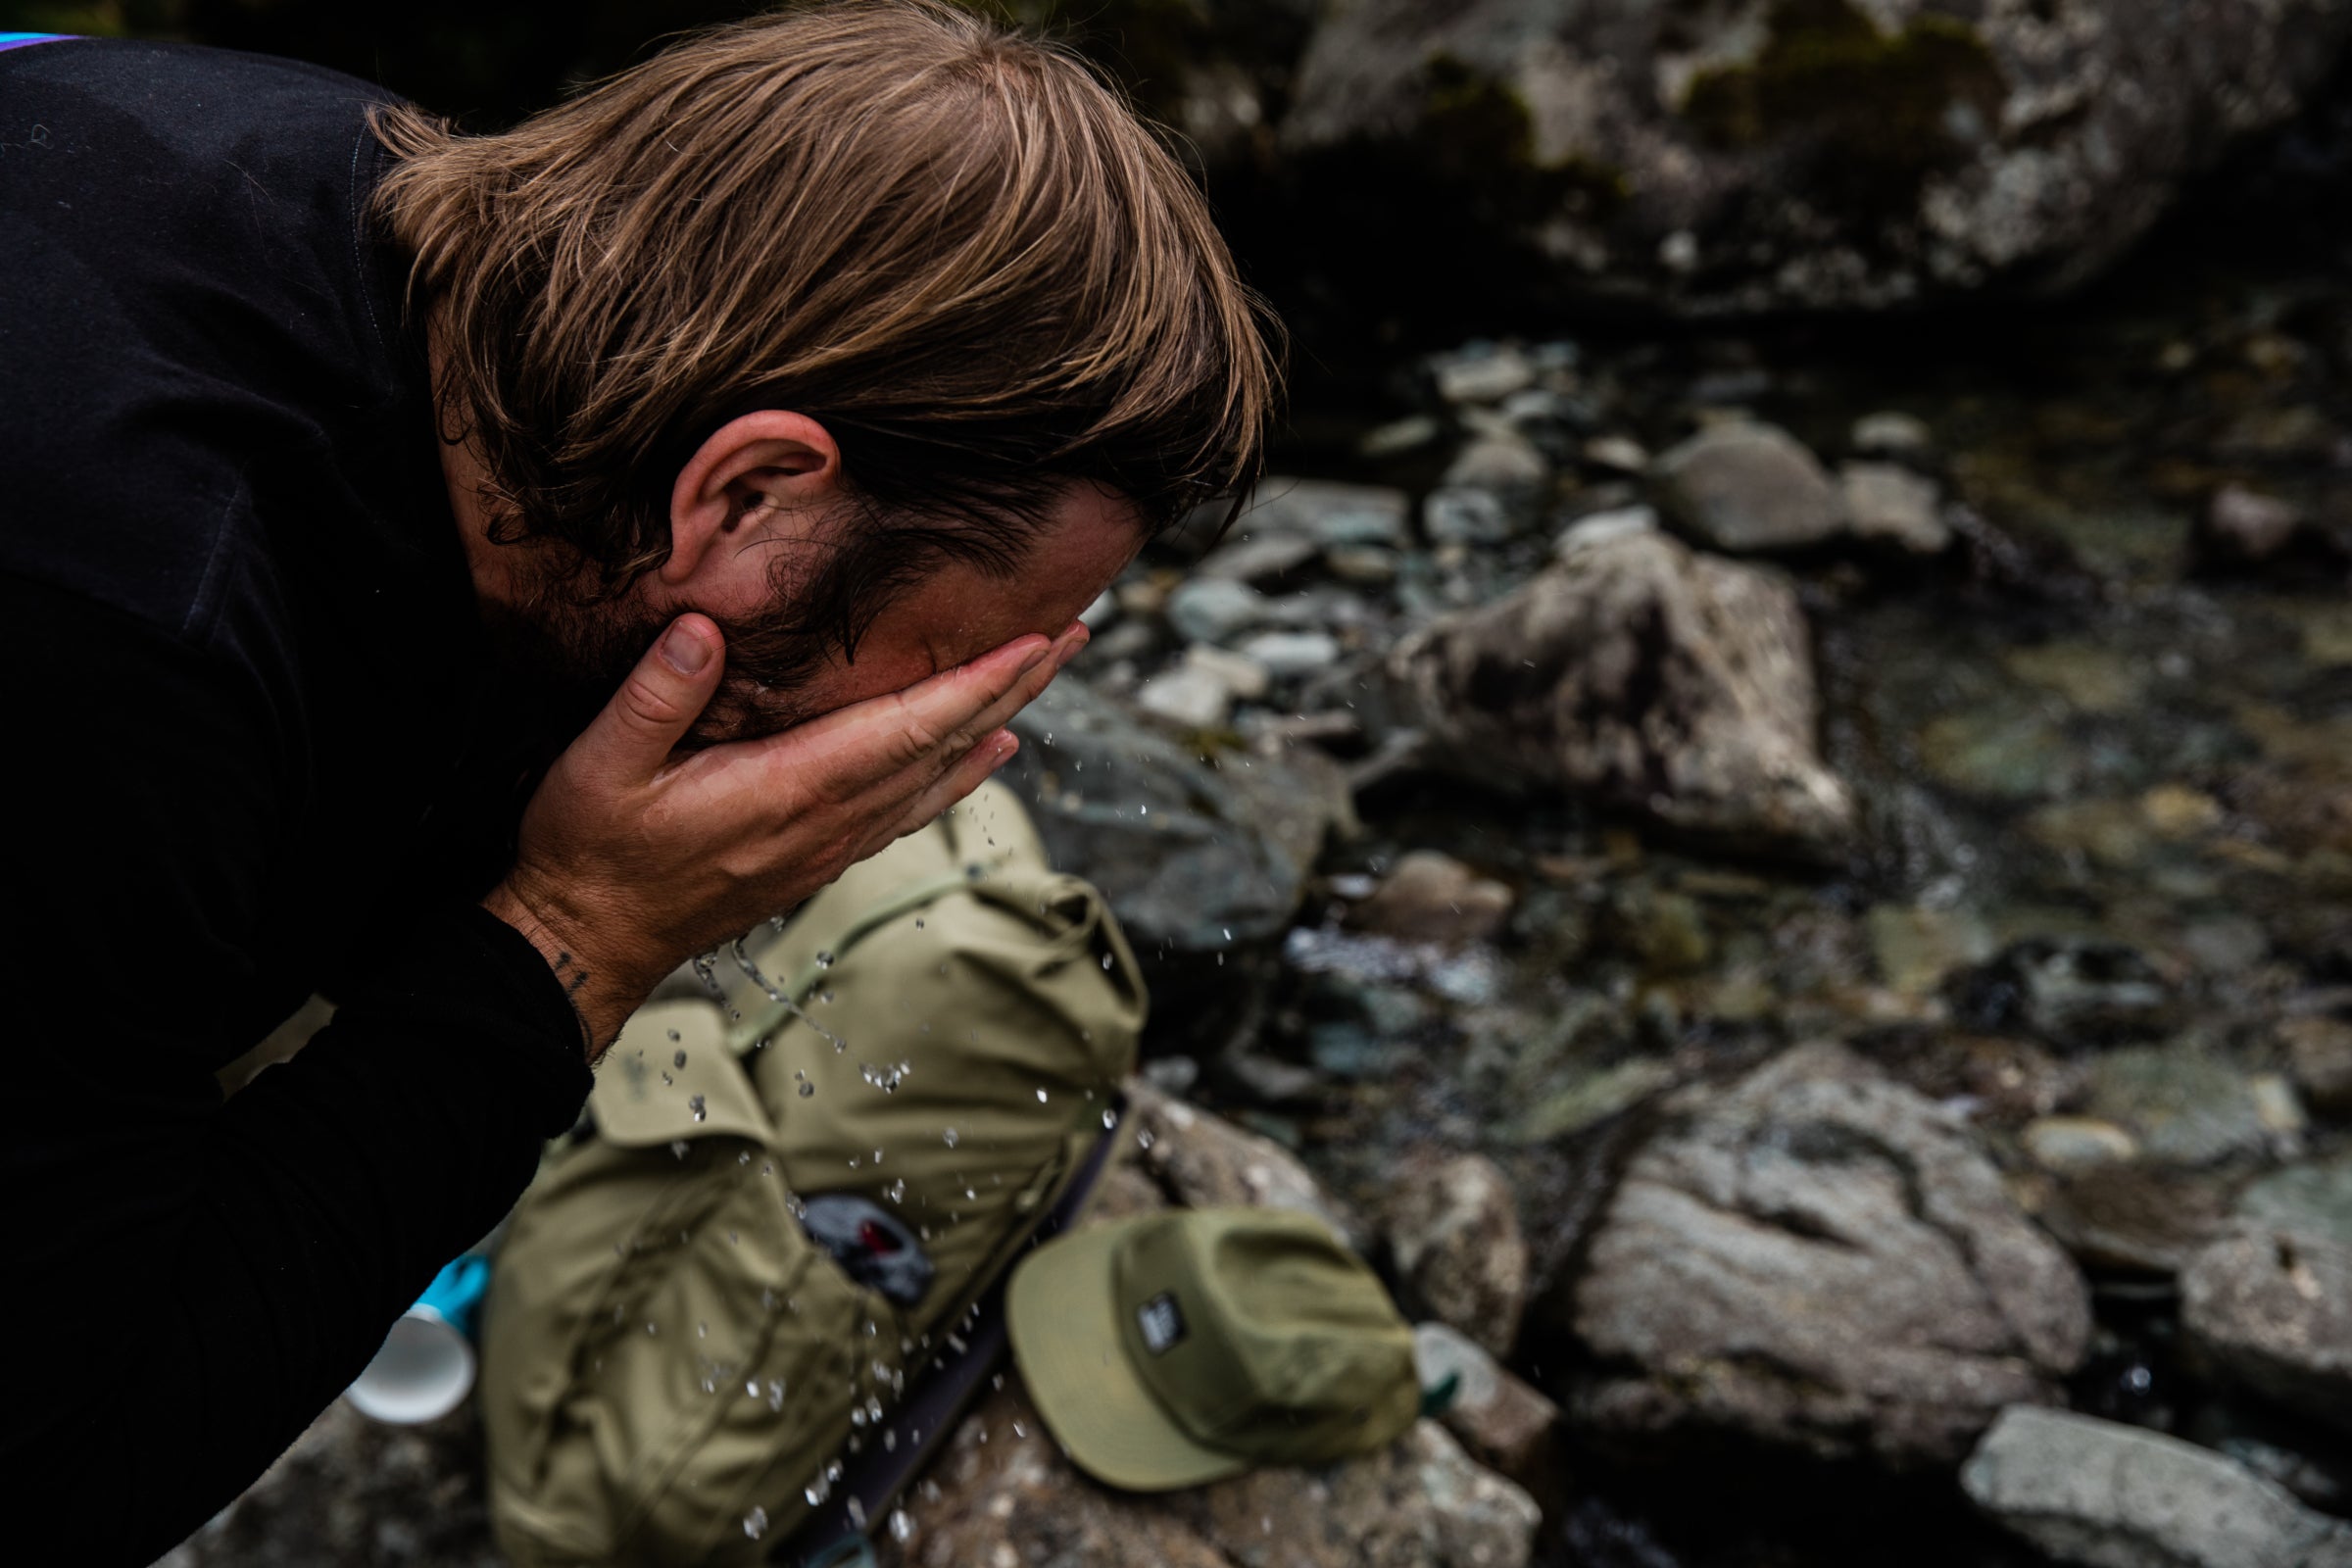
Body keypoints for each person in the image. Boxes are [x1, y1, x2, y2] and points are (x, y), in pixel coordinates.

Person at [0, 3, 1275, 1558]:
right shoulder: (120, 653)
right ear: (748, 493)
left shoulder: (356, 176)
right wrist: (571, 942)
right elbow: (50, 1474)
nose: (938, 738)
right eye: (959, 657)